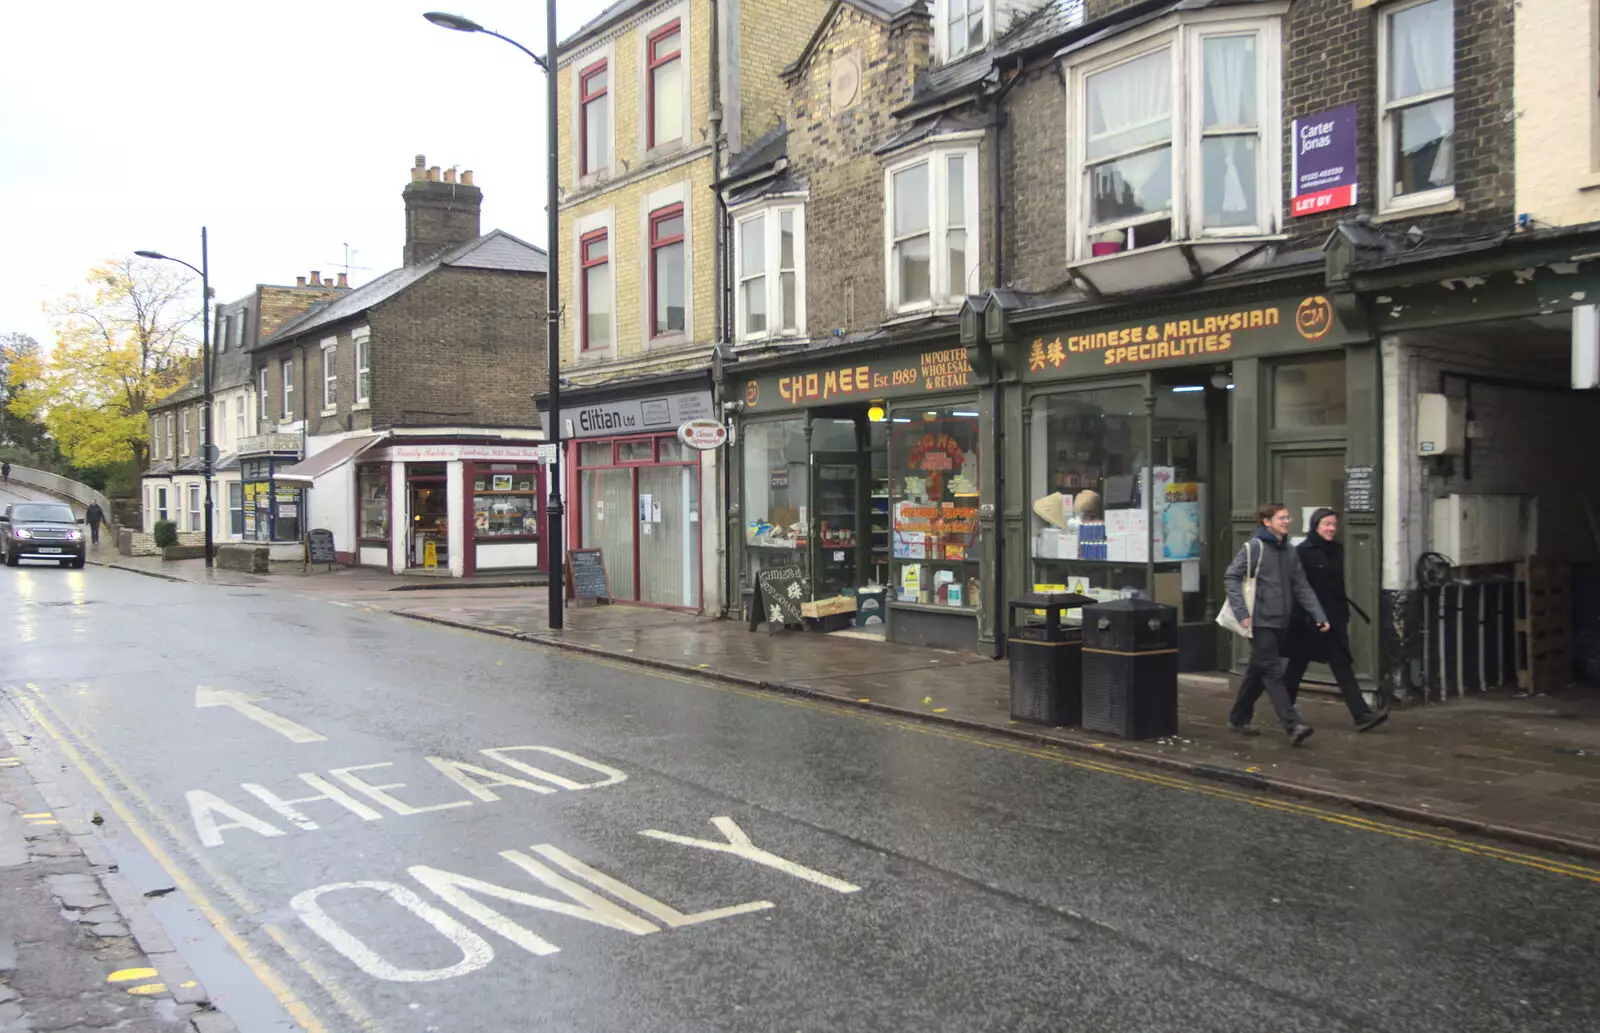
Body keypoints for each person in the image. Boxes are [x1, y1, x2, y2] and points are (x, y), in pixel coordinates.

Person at [1225, 502, 1328, 745]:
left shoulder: (1290, 551)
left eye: (1287, 517)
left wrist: (1319, 615)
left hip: (1281, 620)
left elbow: (1301, 586)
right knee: (1271, 671)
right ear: (1266, 522)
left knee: (1258, 670)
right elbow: (1231, 577)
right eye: (1281, 518)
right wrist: (1242, 613)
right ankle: (1292, 724)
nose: (1287, 521)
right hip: (1258, 621)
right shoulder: (1253, 548)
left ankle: (1238, 717)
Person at [1283, 508, 1389, 732]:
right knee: (1298, 664)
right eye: (1326, 524)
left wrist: (1342, 614)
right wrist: (1311, 616)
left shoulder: (1337, 549)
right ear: (1315, 526)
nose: (1331, 529)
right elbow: (1299, 588)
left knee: (1339, 663)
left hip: (1334, 616)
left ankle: (1360, 715)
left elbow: (1337, 586)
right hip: (1310, 619)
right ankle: (1286, 710)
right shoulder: (1302, 552)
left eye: (1333, 524)